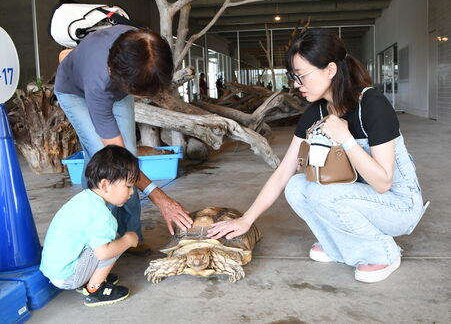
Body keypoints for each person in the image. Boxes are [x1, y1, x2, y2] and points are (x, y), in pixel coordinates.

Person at [208, 28, 427, 283]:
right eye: (294, 77)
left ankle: (384, 254)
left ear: (330, 70)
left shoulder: (372, 104)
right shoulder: (316, 112)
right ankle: (338, 245)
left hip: (398, 206)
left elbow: (382, 182)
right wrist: (247, 218)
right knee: (297, 186)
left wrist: (345, 138)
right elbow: (283, 172)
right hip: (357, 199)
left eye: (301, 76)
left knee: (323, 192)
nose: (296, 85)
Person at [55, 25, 193, 255]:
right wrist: (160, 198)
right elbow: (121, 162)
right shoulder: (98, 82)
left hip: (120, 82)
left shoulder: (141, 47)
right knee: (109, 162)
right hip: (75, 92)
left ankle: (132, 237)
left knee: (125, 156)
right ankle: (100, 238)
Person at [40, 145, 140, 306]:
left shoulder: (84, 199)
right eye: (128, 186)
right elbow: (103, 253)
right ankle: (95, 290)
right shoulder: (101, 216)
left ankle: (92, 277)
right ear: (105, 185)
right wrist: (128, 240)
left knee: (109, 238)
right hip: (67, 277)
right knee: (115, 243)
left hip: (54, 270)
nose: (132, 192)